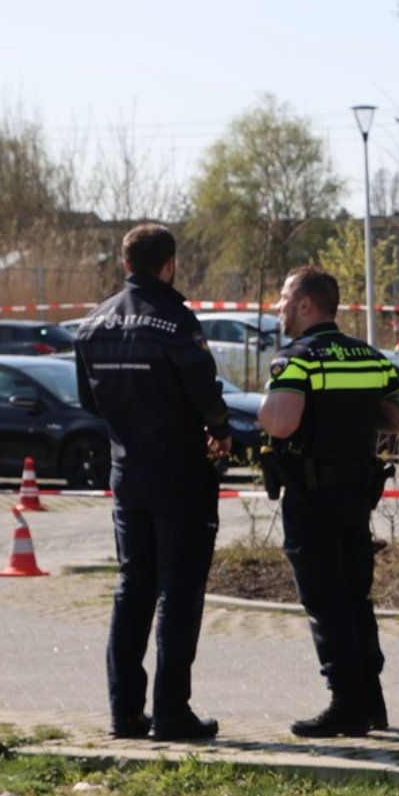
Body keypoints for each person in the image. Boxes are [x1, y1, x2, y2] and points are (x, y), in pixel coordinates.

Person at [73, 223, 232, 741]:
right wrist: (220, 432)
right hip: (179, 473)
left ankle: (124, 713)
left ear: (125, 265)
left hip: (127, 473)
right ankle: (171, 713)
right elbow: (204, 394)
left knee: (131, 590)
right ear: (169, 265)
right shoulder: (175, 320)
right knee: (179, 593)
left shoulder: (93, 322)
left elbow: (89, 402)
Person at [258, 267, 399, 739]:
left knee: (325, 599)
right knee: (354, 596)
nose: (278, 308)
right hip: (356, 494)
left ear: (306, 305)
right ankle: (372, 700)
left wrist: (261, 410)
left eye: (285, 299)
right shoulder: (369, 356)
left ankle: (346, 704)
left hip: (311, 495)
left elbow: (280, 424)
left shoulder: (297, 360)